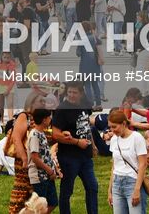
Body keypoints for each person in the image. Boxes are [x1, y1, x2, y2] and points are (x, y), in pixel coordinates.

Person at [52, 83, 99, 214]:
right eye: (69, 92)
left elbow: (86, 126)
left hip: (85, 156)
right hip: (68, 157)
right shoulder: (62, 109)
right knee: (67, 190)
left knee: (92, 187)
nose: (71, 95)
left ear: (81, 93)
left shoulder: (84, 105)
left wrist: (93, 145)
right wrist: (77, 142)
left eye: (75, 92)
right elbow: (55, 134)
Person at [106, 108, 149, 214]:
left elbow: (143, 164)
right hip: (117, 182)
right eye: (110, 127)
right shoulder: (114, 140)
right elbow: (114, 165)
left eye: (114, 127)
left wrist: (137, 189)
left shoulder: (137, 138)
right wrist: (110, 190)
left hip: (133, 182)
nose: (112, 130)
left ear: (124, 123)